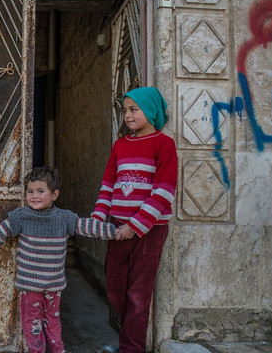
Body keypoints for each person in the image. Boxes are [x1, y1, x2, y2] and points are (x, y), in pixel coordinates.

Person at [0, 166, 119, 353]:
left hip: (53, 285)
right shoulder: (21, 216)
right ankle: (37, 351)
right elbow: (0, 233)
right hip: (30, 286)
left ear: (54, 194)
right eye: (30, 192)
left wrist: (115, 232)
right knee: (32, 323)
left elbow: (87, 226)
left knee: (53, 321)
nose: (34, 196)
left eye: (41, 191)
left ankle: (58, 350)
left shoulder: (64, 218)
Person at [91, 87, 178, 353]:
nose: (127, 115)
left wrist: (135, 227)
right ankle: (128, 338)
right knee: (115, 290)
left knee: (139, 295)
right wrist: (98, 217)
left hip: (149, 231)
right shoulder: (120, 145)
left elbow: (163, 192)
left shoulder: (164, 144)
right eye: (125, 110)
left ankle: (131, 348)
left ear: (150, 111)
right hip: (117, 228)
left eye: (133, 109)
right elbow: (109, 185)